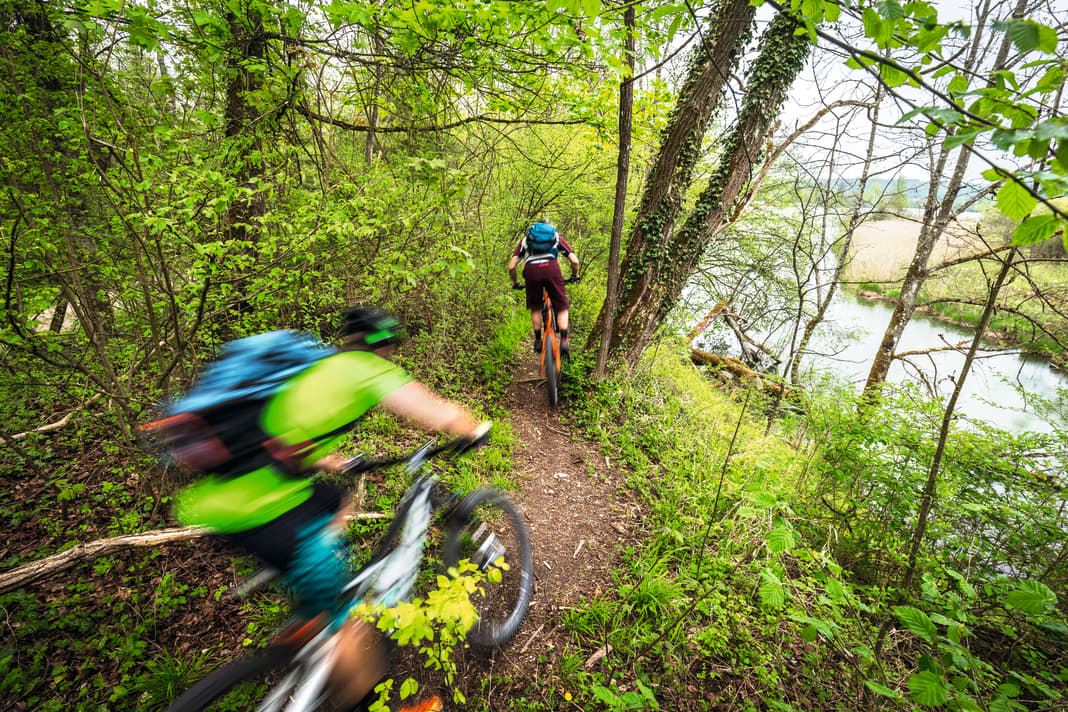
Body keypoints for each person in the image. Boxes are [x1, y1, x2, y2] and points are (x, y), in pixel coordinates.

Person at [172, 306, 490, 708]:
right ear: (385, 345)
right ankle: (339, 640)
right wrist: (472, 429)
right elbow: (439, 413)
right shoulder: (368, 370)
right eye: (392, 347)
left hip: (220, 504)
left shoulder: (315, 368)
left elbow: (280, 437)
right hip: (268, 510)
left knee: (336, 501)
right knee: (347, 620)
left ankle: (312, 610)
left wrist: (330, 461)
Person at [507, 218, 580, 356]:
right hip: (551, 269)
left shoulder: (525, 241)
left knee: (535, 307)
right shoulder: (556, 237)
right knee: (562, 307)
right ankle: (564, 340)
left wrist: (516, 283)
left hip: (531, 272)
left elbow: (511, 267)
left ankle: (538, 339)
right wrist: (574, 276)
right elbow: (575, 261)